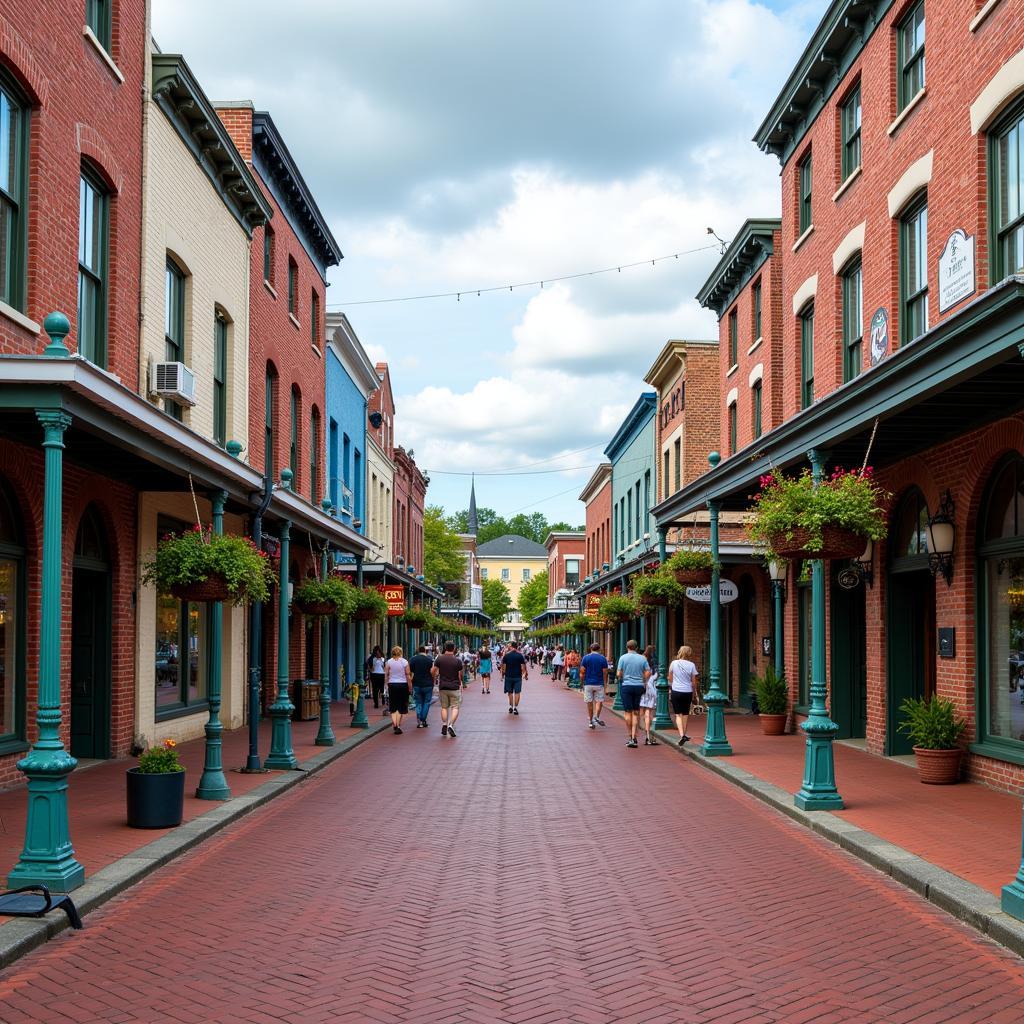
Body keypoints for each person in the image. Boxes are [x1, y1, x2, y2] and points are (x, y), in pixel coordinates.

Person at [616, 639, 651, 748]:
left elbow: (618, 673)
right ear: (636, 647)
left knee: (627, 712)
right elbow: (648, 672)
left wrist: (622, 676)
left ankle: (630, 736)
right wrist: (643, 680)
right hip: (639, 686)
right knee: (636, 712)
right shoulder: (642, 658)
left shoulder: (623, 658)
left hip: (626, 686)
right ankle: (635, 736)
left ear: (627, 647)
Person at [669, 645, 700, 746]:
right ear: (689, 653)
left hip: (676, 691)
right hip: (687, 692)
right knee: (686, 714)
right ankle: (684, 734)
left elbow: (670, 678)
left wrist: (675, 683)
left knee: (678, 714)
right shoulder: (691, 665)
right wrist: (695, 694)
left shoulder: (673, 663)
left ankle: (682, 735)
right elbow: (694, 682)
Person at [432, 641, 464, 737]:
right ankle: (451, 725)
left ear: (445, 648)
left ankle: (444, 724)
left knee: (444, 707)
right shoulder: (457, 661)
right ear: (454, 648)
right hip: (454, 687)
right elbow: (460, 674)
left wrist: (434, 676)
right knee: (455, 707)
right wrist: (461, 683)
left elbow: (433, 671)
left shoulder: (439, 659)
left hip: (443, 686)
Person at [580, 643, 609, 728]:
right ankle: (596, 717)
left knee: (589, 702)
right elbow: (605, 672)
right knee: (599, 701)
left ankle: (590, 721)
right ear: (599, 649)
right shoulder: (603, 658)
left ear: (590, 649)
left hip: (588, 683)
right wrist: (605, 683)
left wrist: (581, 683)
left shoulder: (586, 658)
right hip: (599, 683)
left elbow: (582, 672)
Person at [385, 646, 412, 734]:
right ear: (401, 652)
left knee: (393, 705)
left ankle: (395, 724)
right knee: (400, 705)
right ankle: (398, 725)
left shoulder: (389, 662)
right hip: (402, 685)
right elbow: (408, 675)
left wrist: (386, 685)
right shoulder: (405, 662)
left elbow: (386, 674)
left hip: (392, 685)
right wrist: (410, 686)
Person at [409, 644, 435, 728]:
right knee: (427, 702)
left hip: (417, 683)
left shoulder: (413, 659)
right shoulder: (430, 659)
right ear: (425, 651)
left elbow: (410, 671)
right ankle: (423, 719)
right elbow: (432, 672)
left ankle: (420, 721)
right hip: (428, 684)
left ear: (418, 651)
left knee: (418, 702)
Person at [639, 645, 660, 746]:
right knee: (649, 713)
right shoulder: (655, 664)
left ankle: (644, 732)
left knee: (641, 712)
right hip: (652, 690)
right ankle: (648, 734)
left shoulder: (641, 661)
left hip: (642, 687)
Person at [500, 640, 528, 715]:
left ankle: (511, 706)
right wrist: (524, 675)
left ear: (511, 647)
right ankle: (516, 708)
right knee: (517, 692)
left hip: (508, 676)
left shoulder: (506, 655)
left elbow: (504, 667)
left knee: (510, 692)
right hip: (518, 677)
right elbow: (523, 667)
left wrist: (502, 675)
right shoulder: (520, 655)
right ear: (517, 647)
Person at [367, 645, 386, 711]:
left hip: (377, 674)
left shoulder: (381, 658)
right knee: (377, 689)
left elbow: (384, 667)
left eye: (379, 652)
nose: (378, 654)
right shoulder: (373, 658)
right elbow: (370, 666)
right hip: (377, 674)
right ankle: (377, 703)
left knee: (379, 688)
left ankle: (380, 700)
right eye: (377, 652)